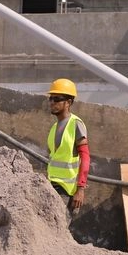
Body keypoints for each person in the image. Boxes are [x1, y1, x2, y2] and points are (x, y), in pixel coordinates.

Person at [45, 78, 90, 214]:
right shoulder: (54, 128)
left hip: (67, 191)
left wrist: (80, 189)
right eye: (51, 98)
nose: (52, 102)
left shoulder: (76, 124)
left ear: (68, 102)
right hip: (51, 186)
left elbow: (86, 157)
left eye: (57, 99)